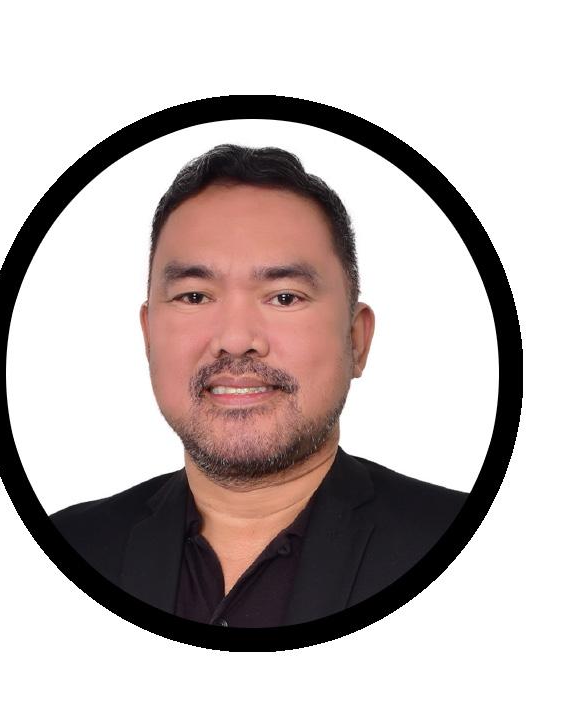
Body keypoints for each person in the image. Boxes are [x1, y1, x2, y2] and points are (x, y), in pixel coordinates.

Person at [51, 144, 467, 627]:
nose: (235, 340)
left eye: (284, 297)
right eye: (194, 296)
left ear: (357, 339)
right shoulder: (65, 549)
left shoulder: (462, 541)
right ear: (148, 336)